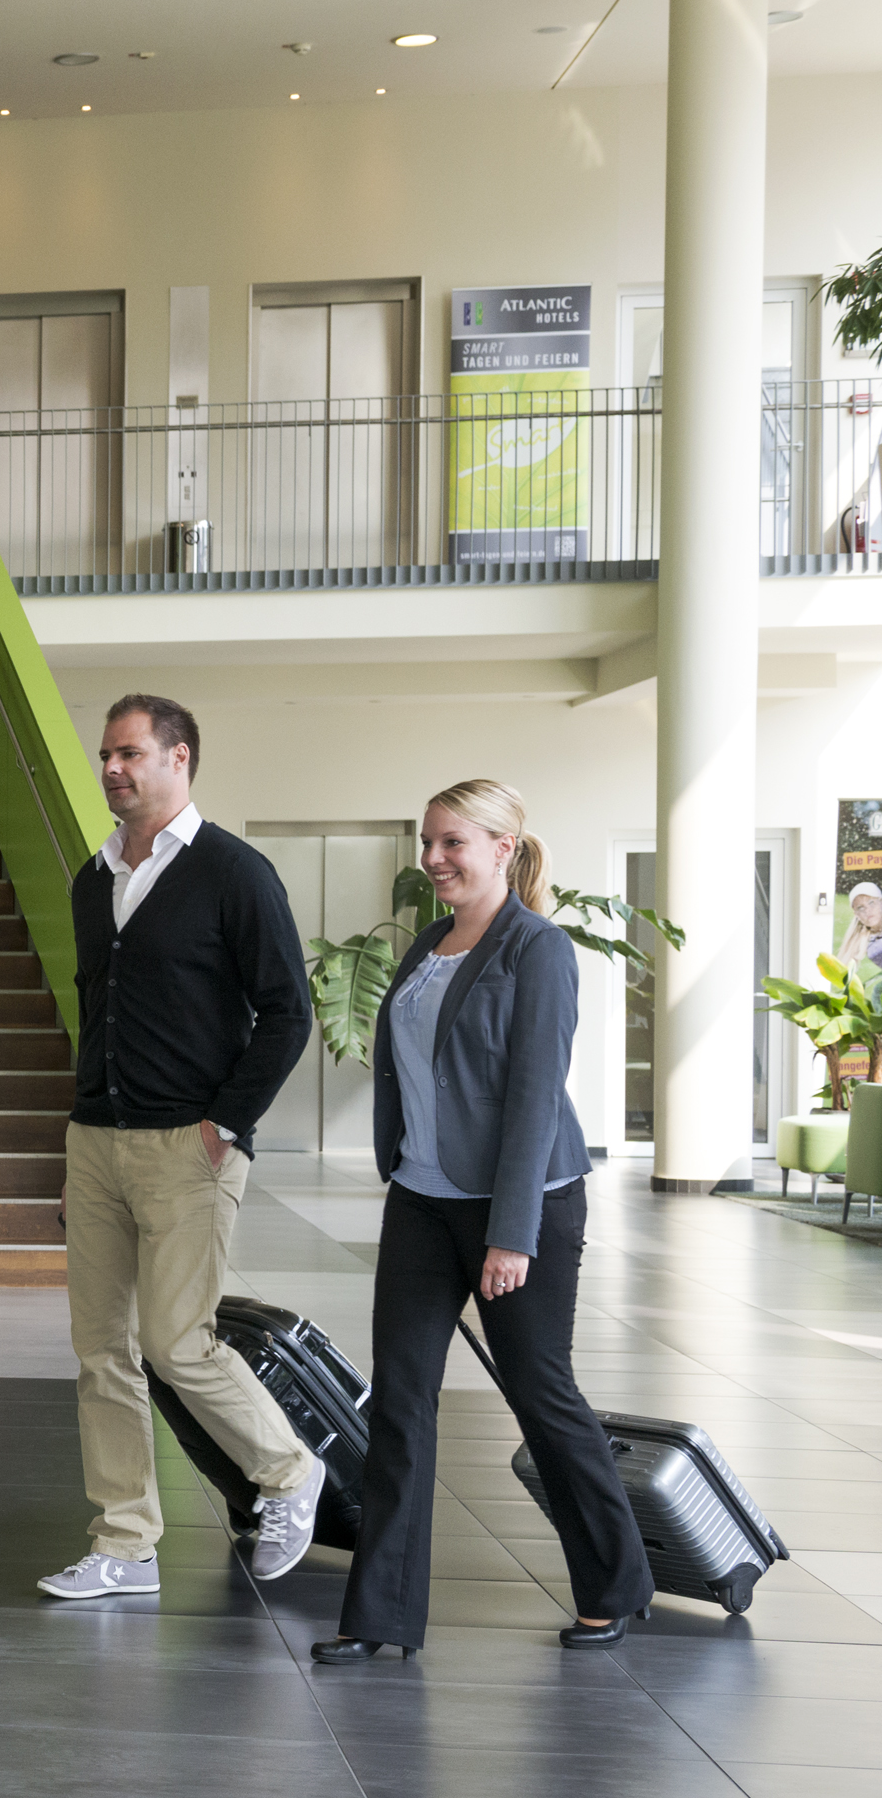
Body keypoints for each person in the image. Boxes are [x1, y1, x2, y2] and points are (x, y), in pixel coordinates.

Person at [319, 781, 649, 1659]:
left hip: (521, 1201)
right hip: (422, 1198)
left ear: (503, 847)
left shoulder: (537, 948)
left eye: (452, 843)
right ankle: (378, 1616)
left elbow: (535, 1095)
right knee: (399, 1398)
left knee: (539, 1392)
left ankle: (615, 1584)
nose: (433, 859)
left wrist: (511, 1232)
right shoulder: (427, 943)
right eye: (427, 842)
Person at [41, 694, 327, 1601]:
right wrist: (83, 1131)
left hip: (188, 1147)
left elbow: (287, 1013)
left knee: (176, 1344)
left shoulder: (234, 872)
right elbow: (103, 1015)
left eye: (129, 753)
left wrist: (224, 1124)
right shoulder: (93, 878)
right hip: (96, 1141)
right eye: (105, 754)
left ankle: (289, 1471)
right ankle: (124, 1544)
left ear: (179, 758)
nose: (111, 768)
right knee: (100, 1352)